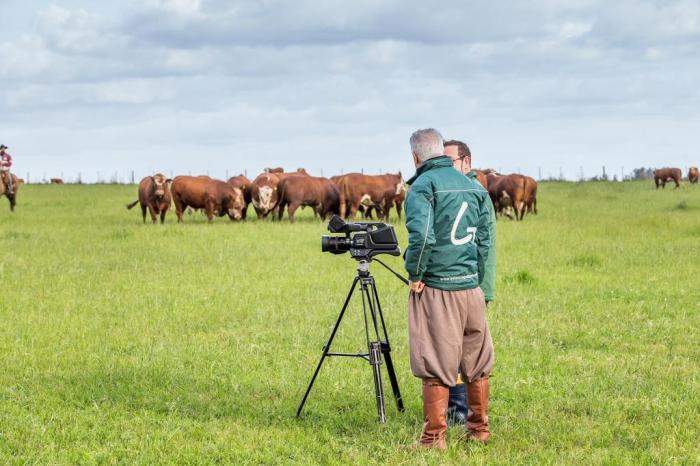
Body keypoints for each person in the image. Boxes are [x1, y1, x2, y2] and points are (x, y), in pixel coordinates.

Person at [404, 128, 495, 449]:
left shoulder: (423, 186)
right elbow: (484, 241)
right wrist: (479, 283)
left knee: (434, 358)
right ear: (441, 151)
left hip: (439, 287)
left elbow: (423, 236)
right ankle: (479, 430)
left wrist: (415, 272)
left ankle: (433, 437)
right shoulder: (474, 187)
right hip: (471, 287)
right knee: (477, 360)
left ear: (416, 156)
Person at [443, 139, 497, 426]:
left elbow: (483, 245)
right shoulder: (453, 191)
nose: (446, 167)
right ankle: (455, 409)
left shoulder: (476, 194)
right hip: (454, 283)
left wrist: (479, 286)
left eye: (450, 161)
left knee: (467, 351)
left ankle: (462, 410)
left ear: (467, 162)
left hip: (470, 283)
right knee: (449, 346)